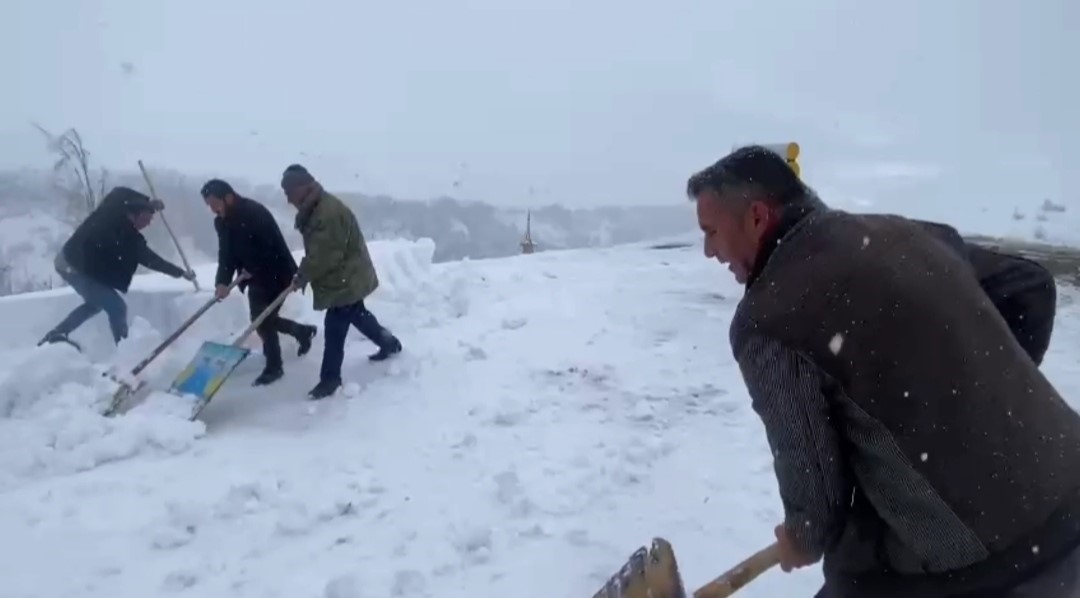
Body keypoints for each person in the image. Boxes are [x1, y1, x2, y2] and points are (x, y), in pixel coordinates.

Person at [687, 145, 1080, 598]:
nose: (708, 251)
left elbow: (818, 506)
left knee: (853, 565)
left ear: (756, 217)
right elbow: (1028, 288)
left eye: (712, 232)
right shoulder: (903, 232)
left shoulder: (768, 318)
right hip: (1066, 480)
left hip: (998, 553)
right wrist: (982, 401)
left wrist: (802, 537)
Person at [280, 164, 403, 399]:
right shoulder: (317, 207)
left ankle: (330, 379)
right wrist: (303, 274)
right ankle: (389, 343)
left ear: (302, 187)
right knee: (357, 314)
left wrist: (302, 275)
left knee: (335, 329)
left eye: (289, 193)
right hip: (346, 274)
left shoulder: (327, 214)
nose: (287, 200)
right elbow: (322, 253)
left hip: (346, 278)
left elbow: (323, 255)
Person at [38, 186, 195, 348]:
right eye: (147, 219)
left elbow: (151, 260)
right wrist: (148, 201)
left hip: (80, 266)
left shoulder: (131, 238)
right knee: (116, 306)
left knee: (96, 304)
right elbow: (119, 192)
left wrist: (180, 272)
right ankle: (124, 350)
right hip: (72, 264)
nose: (148, 224)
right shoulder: (110, 213)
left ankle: (57, 334)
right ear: (136, 213)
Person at [201, 179, 318, 386]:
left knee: (262, 320)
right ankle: (301, 332)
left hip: (277, 272)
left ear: (228, 198)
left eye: (214, 204)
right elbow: (226, 254)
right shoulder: (221, 221)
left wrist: (252, 268)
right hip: (253, 277)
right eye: (209, 206)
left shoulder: (254, 213)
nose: (212, 210)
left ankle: (274, 367)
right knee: (263, 319)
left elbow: (271, 246)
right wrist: (222, 282)